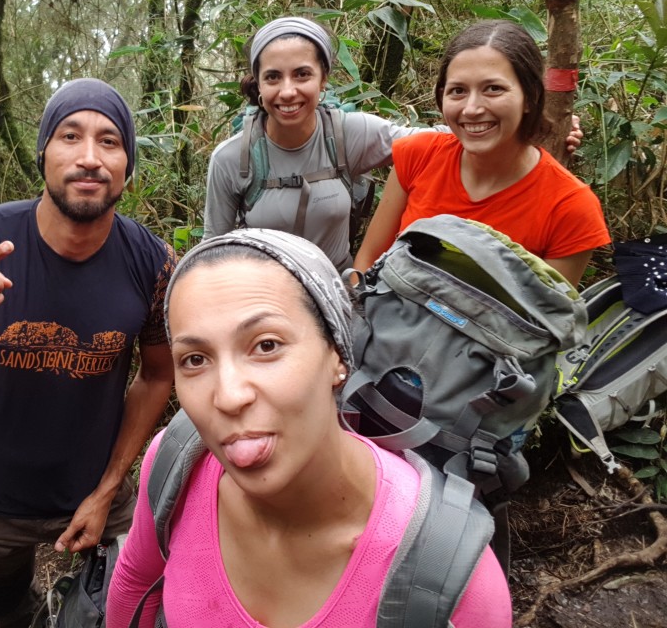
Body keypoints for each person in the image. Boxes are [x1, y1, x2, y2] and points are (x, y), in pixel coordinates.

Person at [105, 228, 511, 627]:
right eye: (195, 359)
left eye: (266, 345)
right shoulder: (176, 464)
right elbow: (136, 581)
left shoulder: (453, 584)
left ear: (337, 356)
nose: (228, 396)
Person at [0, 78, 176, 627]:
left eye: (110, 141)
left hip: (99, 488)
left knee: (136, 604)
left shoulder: (152, 262)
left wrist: (108, 489)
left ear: (128, 165)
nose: (89, 157)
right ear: (43, 153)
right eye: (70, 136)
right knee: (2, 612)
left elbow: (157, 375)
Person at [202, 16, 582, 270]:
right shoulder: (233, 158)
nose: (288, 91)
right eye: (273, 77)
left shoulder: (348, 134)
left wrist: (533, 128)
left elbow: (445, 136)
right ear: (258, 83)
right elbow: (213, 249)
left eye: (302, 74)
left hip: (335, 291)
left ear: (323, 79)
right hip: (264, 295)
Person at [354, 19, 609, 286]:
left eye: (493, 89)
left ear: (531, 95)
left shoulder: (570, 208)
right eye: (458, 91)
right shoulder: (418, 155)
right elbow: (368, 260)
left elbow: (549, 310)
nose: (472, 109)